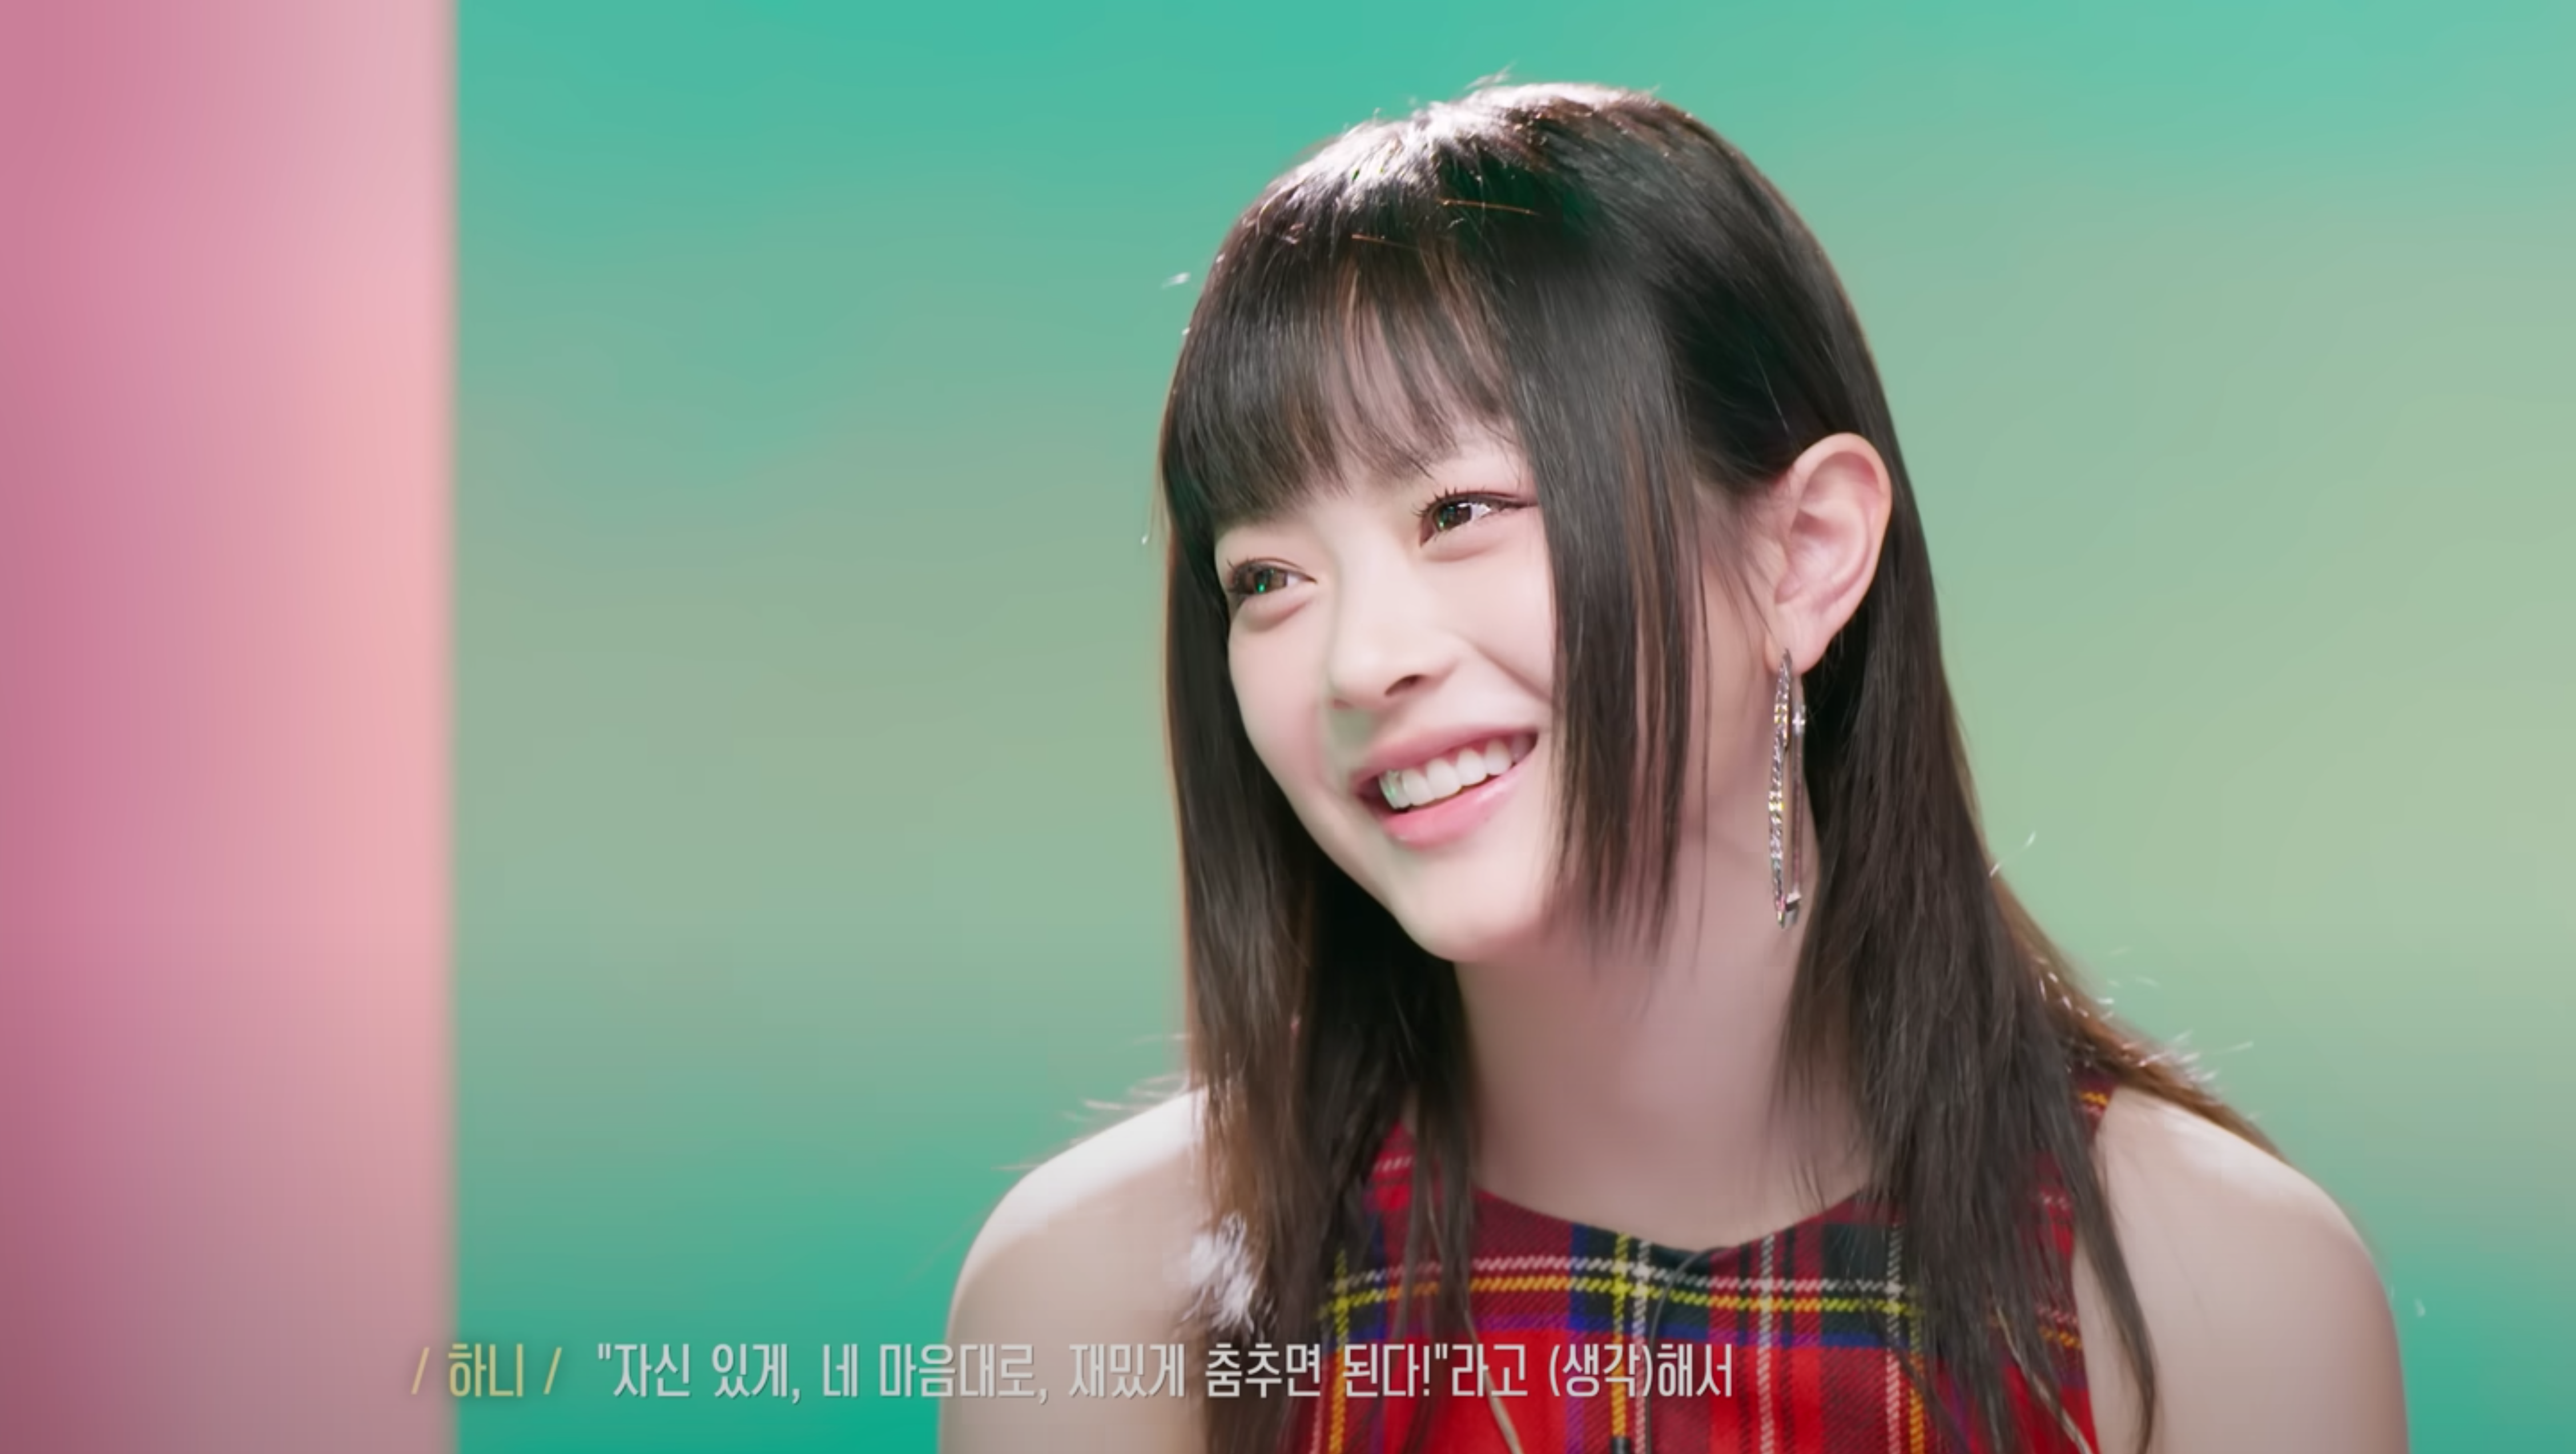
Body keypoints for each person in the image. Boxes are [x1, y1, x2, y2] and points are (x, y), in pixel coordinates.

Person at [943, 81, 2405, 1454]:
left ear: (1804, 554)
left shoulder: (2213, 1295)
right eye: (1267, 578)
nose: (1357, 661)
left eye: (1460, 510)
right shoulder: (1106, 1299)